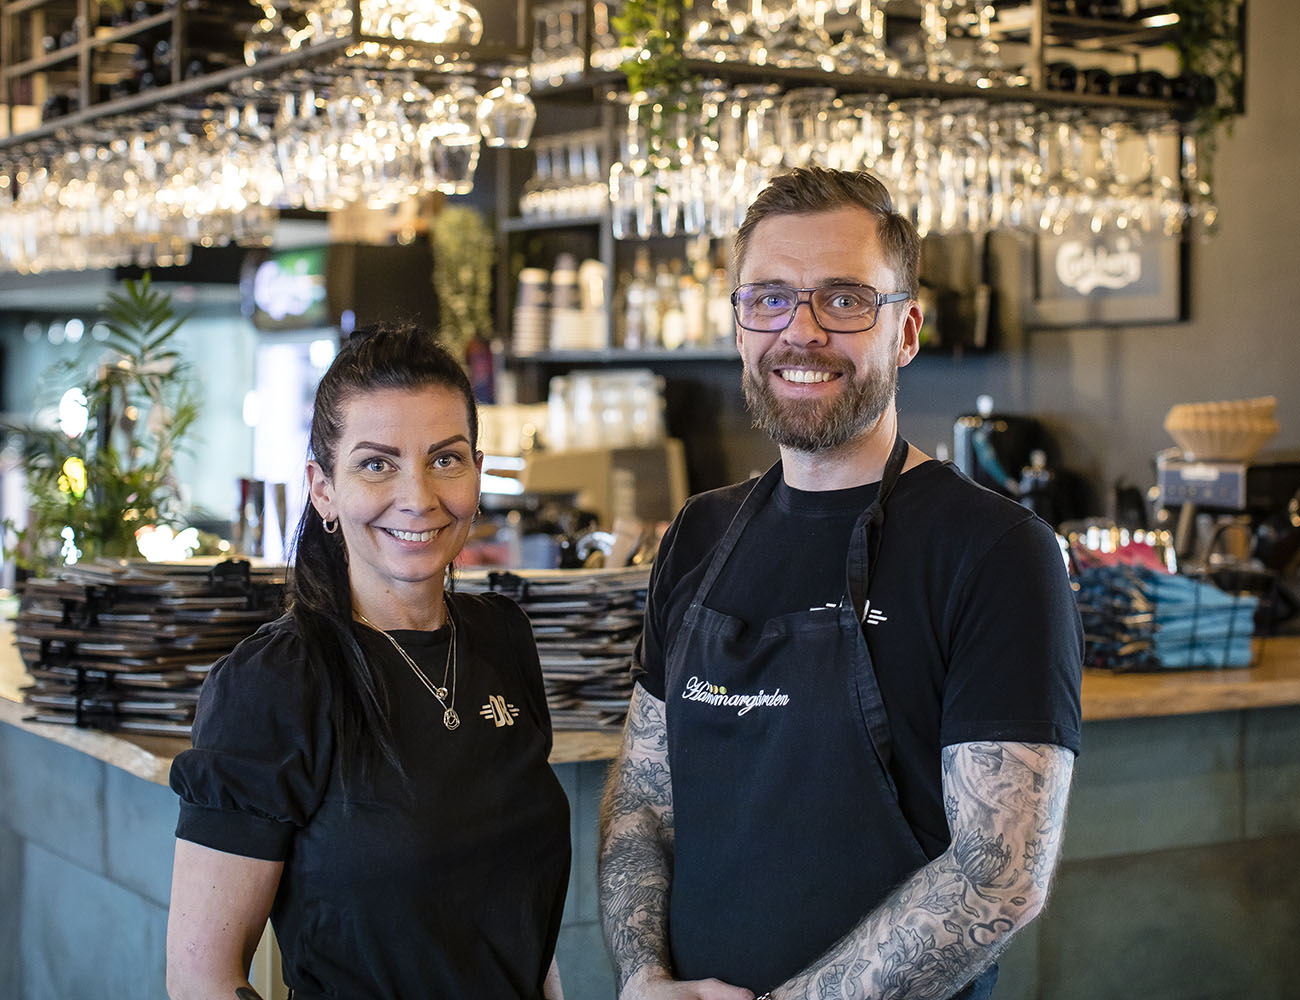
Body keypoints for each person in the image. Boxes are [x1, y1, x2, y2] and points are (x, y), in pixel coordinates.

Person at [597, 167, 1083, 1000]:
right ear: (742, 323)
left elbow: (997, 877)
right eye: (770, 298)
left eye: (845, 299)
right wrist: (645, 980)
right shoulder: (699, 534)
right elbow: (642, 803)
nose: (802, 331)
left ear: (906, 332)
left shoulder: (997, 551)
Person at [166, 324, 570, 1000]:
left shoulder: (502, 637)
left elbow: (519, 933)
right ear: (323, 488)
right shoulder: (275, 682)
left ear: (477, 468)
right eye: (376, 463)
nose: (418, 496)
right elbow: (200, 977)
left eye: (446, 459)